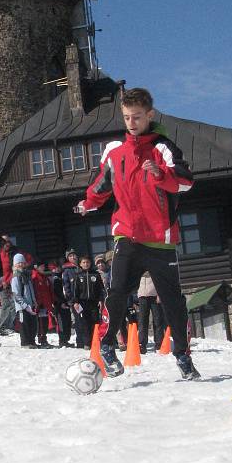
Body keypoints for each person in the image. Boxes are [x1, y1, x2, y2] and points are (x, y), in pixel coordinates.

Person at [74, 87, 199, 379]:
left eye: (137, 117)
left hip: (160, 240)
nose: (131, 122)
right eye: (127, 117)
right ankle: (107, 346)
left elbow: (186, 182)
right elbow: (101, 186)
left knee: (173, 302)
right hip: (127, 236)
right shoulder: (115, 152)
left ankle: (182, 355)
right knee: (117, 291)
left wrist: (160, 174)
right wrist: (87, 204)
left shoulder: (163, 148)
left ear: (149, 115)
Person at [0, 234, 33, 333]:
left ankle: (10, 326)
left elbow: (28, 258)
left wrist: (24, 268)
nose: (6, 243)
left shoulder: (15, 251)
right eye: (4, 242)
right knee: (5, 304)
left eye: (8, 241)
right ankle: (2, 327)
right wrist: (0, 280)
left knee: (14, 304)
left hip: (13, 281)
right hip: (2, 283)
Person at [72, 256, 105, 349]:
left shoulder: (95, 275)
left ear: (90, 263)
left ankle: (96, 341)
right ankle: (87, 343)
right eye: (84, 262)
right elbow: (75, 290)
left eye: (87, 262)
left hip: (94, 303)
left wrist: (101, 300)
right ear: (80, 264)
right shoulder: (78, 276)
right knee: (85, 323)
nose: (86, 264)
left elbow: (100, 289)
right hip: (82, 303)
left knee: (95, 322)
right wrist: (76, 302)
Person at [11, 253, 39, 348]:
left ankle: (32, 341)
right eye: (18, 263)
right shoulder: (16, 277)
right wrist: (24, 305)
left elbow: (31, 291)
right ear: (15, 264)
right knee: (24, 324)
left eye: (22, 262)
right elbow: (16, 294)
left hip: (31, 305)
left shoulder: (27, 275)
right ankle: (25, 342)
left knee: (32, 324)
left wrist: (34, 301)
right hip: (22, 306)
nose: (21, 264)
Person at [137, 272, 166, 353]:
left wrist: (159, 294)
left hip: (154, 296)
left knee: (158, 320)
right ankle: (142, 344)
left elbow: (160, 281)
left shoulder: (153, 267)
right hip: (142, 296)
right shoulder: (138, 269)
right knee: (142, 321)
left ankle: (159, 343)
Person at [31, 261, 55, 348]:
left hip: (45, 304)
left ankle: (44, 339)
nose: (43, 268)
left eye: (43, 266)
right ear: (36, 267)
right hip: (39, 304)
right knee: (40, 323)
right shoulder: (35, 277)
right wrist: (37, 302)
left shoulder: (44, 277)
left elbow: (49, 290)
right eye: (41, 266)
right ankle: (41, 339)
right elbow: (36, 292)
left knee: (44, 322)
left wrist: (51, 302)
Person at [50, 260, 73, 347]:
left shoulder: (61, 276)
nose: (57, 269)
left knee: (67, 321)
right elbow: (56, 293)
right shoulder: (54, 279)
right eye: (55, 268)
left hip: (65, 302)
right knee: (61, 323)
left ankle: (66, 340)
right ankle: (62, 340)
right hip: (59, 304)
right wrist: (61, 303)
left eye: (58, 268)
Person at [62, 248, 82, 347]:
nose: (73, 257)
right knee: (78, 320)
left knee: (84, 319)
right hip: (74, 300)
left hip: (84, 299)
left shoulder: (81, 267)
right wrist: (72, 300)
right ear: (67, 258)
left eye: (74, 255)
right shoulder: (67, 270)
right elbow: (66, 287)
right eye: (70, 256)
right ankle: (80, 341)